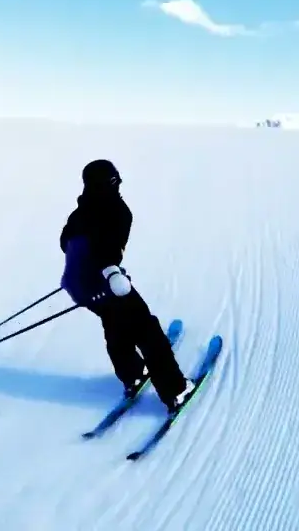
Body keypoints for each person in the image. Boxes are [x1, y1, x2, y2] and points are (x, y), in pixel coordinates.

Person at [59, 159, 195, 411]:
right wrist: (112, 272)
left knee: (115, 325)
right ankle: (175, 389)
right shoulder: (118, 211)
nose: (119, 184)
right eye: (114, 180)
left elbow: (64, 241)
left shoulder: (79, 212)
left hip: (77, 286)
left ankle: (133, 374)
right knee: (146, 330)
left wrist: (88, 270)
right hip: (105, 283)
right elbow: (106, 250)